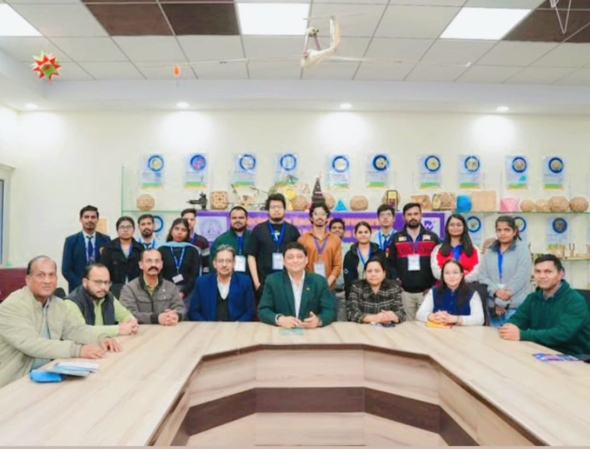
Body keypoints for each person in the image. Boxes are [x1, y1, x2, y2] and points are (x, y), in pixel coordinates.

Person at [0, 256, 122, 388]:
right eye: (41, 275)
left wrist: (101, 338)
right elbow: (32, 344)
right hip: (13, 383)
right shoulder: (12, 306)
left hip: (48, 374)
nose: (47, 281)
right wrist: (77, 350)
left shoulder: (58, 304)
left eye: (51, 275)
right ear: (28, 280)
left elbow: (76, 329)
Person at [500, 254, 590, 355]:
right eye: (538, 271)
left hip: (573, 356)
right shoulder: (532, 298)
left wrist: (522, 335)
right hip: (541, 350)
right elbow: (517, 320)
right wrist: (508, 328)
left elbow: (562, 334)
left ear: (561, 274)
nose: (542, 276)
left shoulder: (575, 300)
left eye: (548, 272)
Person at [258, 242, 336, 328]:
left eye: (299, 257)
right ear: (283, 261)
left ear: (306, 260)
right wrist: (279, 319)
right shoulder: (273, 281)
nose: (295, 260)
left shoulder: (319, 281)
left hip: (311, 332)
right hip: (282, 331)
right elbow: (263, 310)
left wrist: (318, 320)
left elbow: (330, 311)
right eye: (290, 257)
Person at [388, 203, 440, 321]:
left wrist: (433, 286)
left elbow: (438, 263)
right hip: (405, 292)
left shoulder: (433, 237)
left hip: (427, 292)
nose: (413, 217)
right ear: (404, 217)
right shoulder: (396, 238)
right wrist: (397, 282)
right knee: (407, 326)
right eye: (409, 214)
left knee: (427, 325)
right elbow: (391, 263)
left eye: (416, 214)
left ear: (421, 216)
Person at [479, 216, 532, 327]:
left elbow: (521, 278)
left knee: (515, 338)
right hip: (494, 309)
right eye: (499, 230)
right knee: (493, 338)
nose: (502, 233)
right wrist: (496, 292)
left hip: (516, 307)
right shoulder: (489, 252)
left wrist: (501, 302)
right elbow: (482, 277)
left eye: (507, 230)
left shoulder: (523, 250)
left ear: (514, 232)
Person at [247, 193, 301, 297]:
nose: (276, 210)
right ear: (268, 210)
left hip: (289, 283)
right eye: (273, 207)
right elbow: (251, 256)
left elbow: (299, 257)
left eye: (279, 207)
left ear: (284, 209)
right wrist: (256, 283)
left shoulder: (292, 230)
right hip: (264, 283)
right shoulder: (259, 229)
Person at [64, 264, 138, 337]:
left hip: (107, 342)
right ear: (85, 282)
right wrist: (118, 329)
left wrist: (132, 324)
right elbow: (82, 331)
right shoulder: (72, 303)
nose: (103, 287)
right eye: (98, 282)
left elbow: (126, 316)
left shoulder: (108, 297)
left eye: (106, 282)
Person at [188, 245, 255, 322]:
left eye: (228, 261)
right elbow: (193, 312)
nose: (224, 265)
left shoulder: (244, 281)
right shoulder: (202, 282)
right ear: (214, 264)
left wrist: (237, 324)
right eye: (220, 261)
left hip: (236, 327)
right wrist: (207, 325)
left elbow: (250, 312)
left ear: (234, 264)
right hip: (208, 327)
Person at [120, 249, 186, 325]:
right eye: (149, 261)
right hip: (140, 330)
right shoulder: (129, 289)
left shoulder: (171, 287)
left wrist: (176, 315)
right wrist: (156, 318)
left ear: (161, 264)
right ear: (141, 265)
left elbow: (181, 308)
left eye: (157, 261)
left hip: (166, 329)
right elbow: (128, 314)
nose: (153, 265)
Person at [417, 260, 484, 326]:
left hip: (464, 332)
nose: (451, 276)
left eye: (455, 272)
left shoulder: (472, 294)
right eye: (447, 273)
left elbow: (479, 319)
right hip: (439, 332)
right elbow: (419, 314)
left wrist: (456, 319)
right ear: (442, 276)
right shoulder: (434, 292)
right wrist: (432, 317)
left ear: (461, 275)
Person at [62, 205, 111, 292]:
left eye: (93, 217)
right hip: (77, 289)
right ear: (81, 219)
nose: (90, 220)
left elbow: (108, 266)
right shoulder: (71, 241)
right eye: (86, 217)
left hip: (100, 289)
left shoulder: (106, 240)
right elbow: (66, 270)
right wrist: (83, 286)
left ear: (97, 220)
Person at [347, 258, 406, 325]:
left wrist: (393, 316)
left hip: (387, 329)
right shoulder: (357, 288)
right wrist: (375, 318)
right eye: (369, 271)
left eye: (377, 271)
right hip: (363, 329)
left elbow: (401, 314)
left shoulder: (393, 288)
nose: (373, 274)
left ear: (384, 274)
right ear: (365, 273)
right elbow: (351, 313)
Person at [298, 202, 342, 289]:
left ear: (327, 218)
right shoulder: (303, 240)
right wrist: (311, 283)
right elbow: (300, 264)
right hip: (308, 287)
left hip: (329, 288)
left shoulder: (335, 240)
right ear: (311, 217)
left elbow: (337, 266)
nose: (319, 217)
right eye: (316, 214)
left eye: (323, 214)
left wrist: (327, 284)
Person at [158, 218, 201, 301]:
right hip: (165, 291)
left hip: (188, 292)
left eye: (183, 230)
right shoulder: (162, 249)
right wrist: (167, 290)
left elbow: (195, 274)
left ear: (187, 233)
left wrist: (183, 292)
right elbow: (159, 273)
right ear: (171, 231)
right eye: (176, 229)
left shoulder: (193, 250)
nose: (179, 232)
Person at [100, 216, 143, 298]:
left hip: (136, 288)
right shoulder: (109, 247)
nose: (125, 230)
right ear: (117, 230)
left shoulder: (140, 248)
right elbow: (104, 269)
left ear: (134, 230)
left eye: (128, 227)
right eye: (122, 227)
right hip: (114, 288)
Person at [430, 214, 480, 282]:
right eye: (452, 225)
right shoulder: (438, 249)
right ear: (447, 227)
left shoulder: (474, 249)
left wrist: (459, 279)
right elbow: (436, 272)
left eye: (459, 225)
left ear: (464, 227)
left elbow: (477, 272)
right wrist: (457, 276)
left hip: (468, 286)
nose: (455, 227)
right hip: (444, 287)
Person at [343, 221, 386, 299]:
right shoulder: (349, 255)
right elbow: (348, 281)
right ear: (355, 235)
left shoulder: (379, 253)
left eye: (366, 232)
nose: (363, 234)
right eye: (360, 232)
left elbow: (386, 275)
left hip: (378, 295)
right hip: (357, 295)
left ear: (370, 234)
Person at [209, 206, 251, 275]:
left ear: (246, 219)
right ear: (230, 220)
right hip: (227, 278)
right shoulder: (221, 240)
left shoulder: (254, 237)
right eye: (234, 218)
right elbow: (213, 263)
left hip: (250, 279)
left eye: (241, 218)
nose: (237, 220)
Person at [329, 217, 348, 320]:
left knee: (342, 324)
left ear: (344, 231)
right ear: (329, 231)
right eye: (334, 227)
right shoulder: (324, 249)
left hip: (343, 293)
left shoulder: (349, 249)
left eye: (340, 228)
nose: (337, 230)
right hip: (328, 292)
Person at [181, 208, 210, 273]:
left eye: (192, 219)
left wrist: (204, 277)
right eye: (186, 219)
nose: (189, 222)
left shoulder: (202, 241)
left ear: (195, 221)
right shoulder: (177, 240)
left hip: (197, 277)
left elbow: (206, 265)